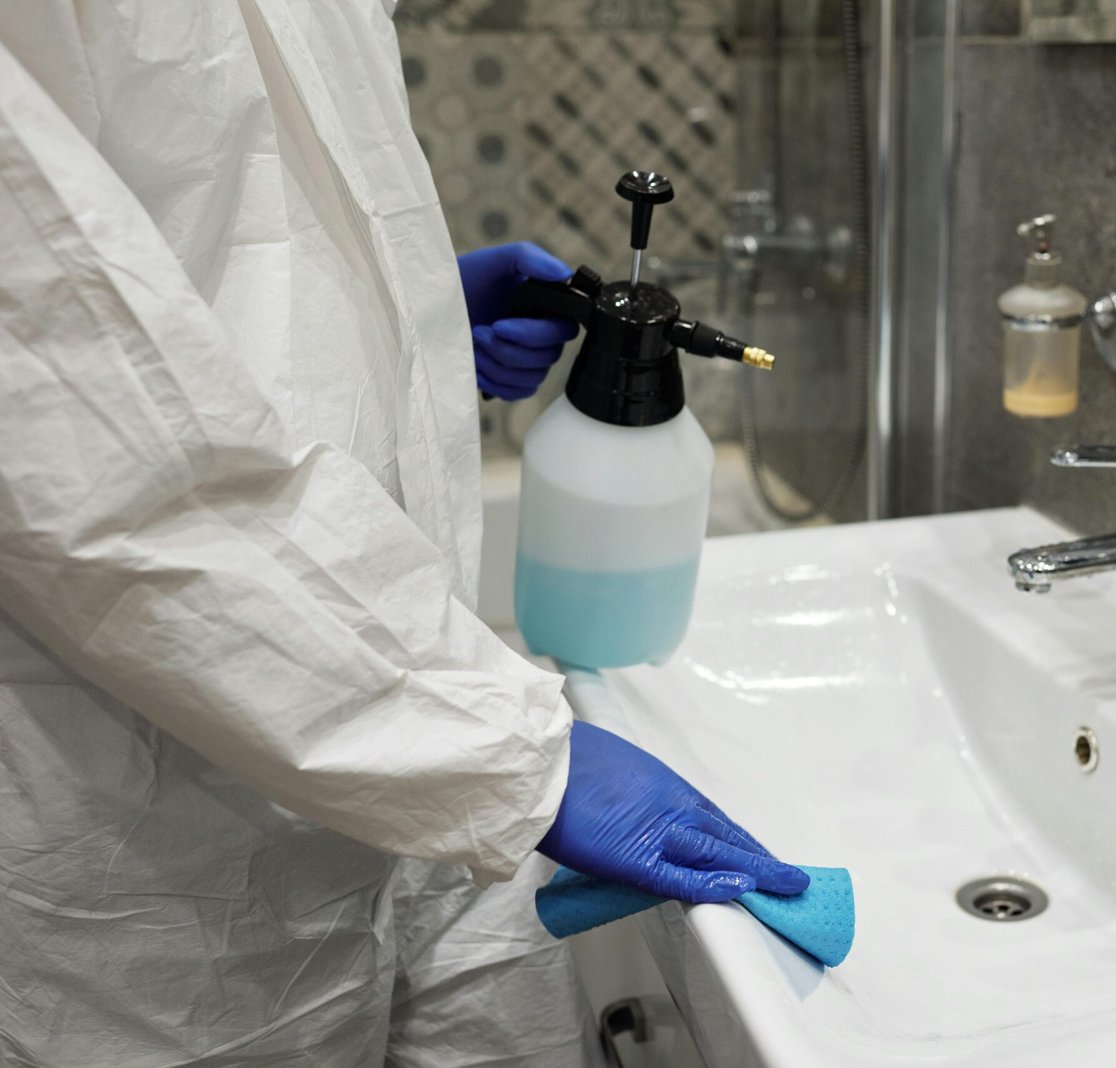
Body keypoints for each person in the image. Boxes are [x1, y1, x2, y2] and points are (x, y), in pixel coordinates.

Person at [0, 4, 805, 1066]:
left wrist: (400, 322)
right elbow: (75, 425)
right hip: (150, 830)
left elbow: (212, 217)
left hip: (389, 714)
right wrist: (519, 762)